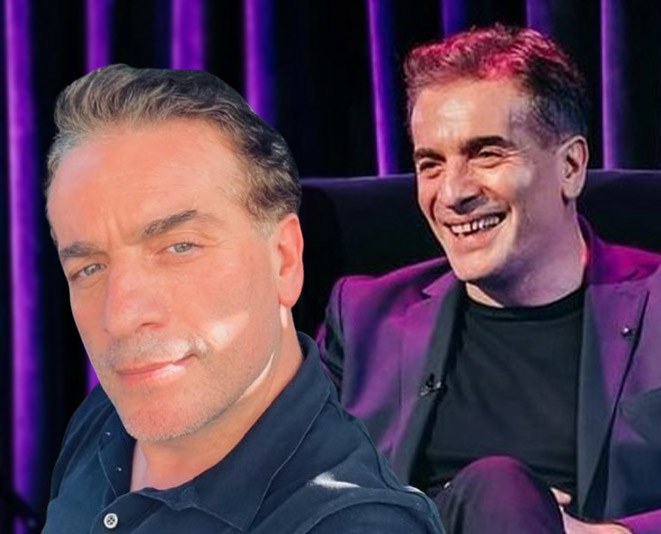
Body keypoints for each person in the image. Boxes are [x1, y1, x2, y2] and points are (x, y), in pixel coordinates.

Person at [316, 25, 661, 534]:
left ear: (571, 166)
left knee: (500, 488)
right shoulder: (364, 317)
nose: (452, 193)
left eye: (486, 154)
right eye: (430, 164)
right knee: (495, 488)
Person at [42, 65, 444, 534]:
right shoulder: (104, 419)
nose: (121, 316)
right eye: (89, 268)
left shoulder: (356, 525)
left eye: (179, 247)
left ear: (284, 261)